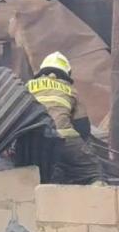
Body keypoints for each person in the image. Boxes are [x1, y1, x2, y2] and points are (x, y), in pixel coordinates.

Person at [26, 52, 103, 184]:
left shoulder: (27, 87)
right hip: (63, 135)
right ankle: (98, 197)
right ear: (65, 73)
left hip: (30, 140)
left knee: (42, 176)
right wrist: (82, 150)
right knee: (93, 172)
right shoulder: (69, 90)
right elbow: (82, 126)